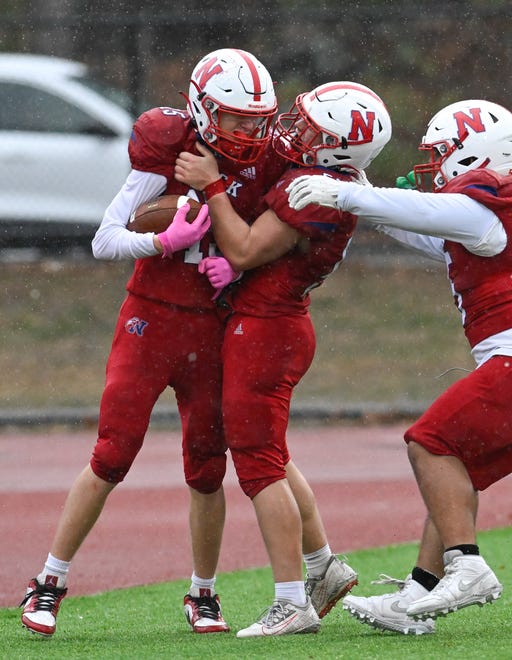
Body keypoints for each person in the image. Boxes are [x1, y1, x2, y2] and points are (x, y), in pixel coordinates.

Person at [19, 47, 287, 638]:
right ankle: (48, 583)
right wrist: (164, 242)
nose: (249, 130)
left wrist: (239, 271)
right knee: (113, 452)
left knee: (207, 468)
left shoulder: (267, 162)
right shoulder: (167, 149)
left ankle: (203, 594)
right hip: (150, 321)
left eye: (255, 118)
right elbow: (105, 239)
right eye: (235, 117)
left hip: (211, 326)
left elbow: (274, 243)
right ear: (202, 108)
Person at [175, 80, 392, 637]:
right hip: (279, 323)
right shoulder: (332, 180)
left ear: (337, 148)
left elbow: (245, 248)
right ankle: (322, 566)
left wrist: (214, 185)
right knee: (268, 450)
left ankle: (291, 600)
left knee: (258, 466)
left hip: (267, 329)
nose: (295, 132)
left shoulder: (315, 188)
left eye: (312, 130)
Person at [286, 98, 511, 633]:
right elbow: (425, 229)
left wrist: (347, 192)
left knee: (430, 444)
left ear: (472, 151)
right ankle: (418, 596)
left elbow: (430, 214)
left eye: (441, 153)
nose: (433, 165)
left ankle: (468, 565)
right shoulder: (479, 220)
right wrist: (362, 195)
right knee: (451, 474)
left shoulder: (486, 208)